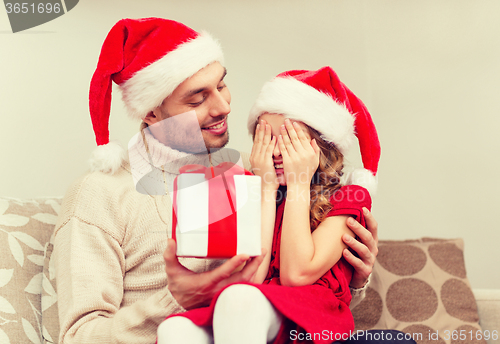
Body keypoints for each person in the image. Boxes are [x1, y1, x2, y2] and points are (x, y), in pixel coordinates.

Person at [54, 18, 379, 344]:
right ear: (151, 112)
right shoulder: (100, 193)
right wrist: (177, 300)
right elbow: (78, 337)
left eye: (222, 85)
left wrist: (353, 275)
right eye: (197, 99)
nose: (224, 107)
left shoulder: (251, 174)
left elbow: (292, 295)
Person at [157, 66, 379, 344]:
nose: (274, 152)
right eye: (265, 139)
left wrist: (299, 182)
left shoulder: (349, 197)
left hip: (310, 319)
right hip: (254, 310)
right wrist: (265, 187)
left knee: (239, 299)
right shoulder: (256, 189)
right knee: (174, 329)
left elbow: (296, 275)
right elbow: (254, 276)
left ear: (321, 145)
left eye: (287, 140)